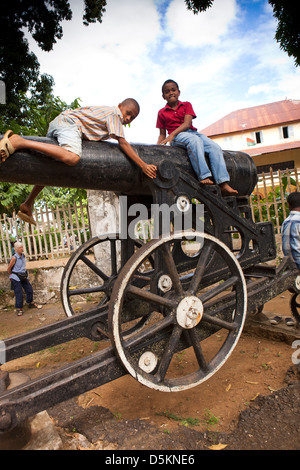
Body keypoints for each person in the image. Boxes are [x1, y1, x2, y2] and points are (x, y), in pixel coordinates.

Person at [0, 99, 157, 224]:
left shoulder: (106, 113)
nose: (128, 118)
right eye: (128, 113)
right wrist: (143, 165)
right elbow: (122, 142)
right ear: (120, 106)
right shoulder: (114, 114)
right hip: (69, 124)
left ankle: (28, 203)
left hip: (61, 122)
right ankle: (20, 142)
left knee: (53, 167)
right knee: (72, 157)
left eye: (132, 118)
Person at [156, 79, 237, 196]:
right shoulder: (162, 112)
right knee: (194, 141)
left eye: (173, 90)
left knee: (214, 147)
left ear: (179, 92)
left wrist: (172, 134)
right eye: (167, 92)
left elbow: (187, 124)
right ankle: (203, 175)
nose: (171, 93)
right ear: (163, 96)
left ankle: (222, 182)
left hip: (192, 133)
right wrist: (159, 146)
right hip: (178, 136)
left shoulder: (186, 105)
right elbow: (162, 134)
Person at [7, 242, 41, 316]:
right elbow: (9, 268)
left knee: (29, 289)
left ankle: (30, 303)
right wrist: (11, 276)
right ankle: (19, 308)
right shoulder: (14, 258)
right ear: (16, 249)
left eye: (22, 247)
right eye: (20, 248)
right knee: (19, 293)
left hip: (23, 276)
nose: (21, 249)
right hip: (16, 276)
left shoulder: (23, 256)